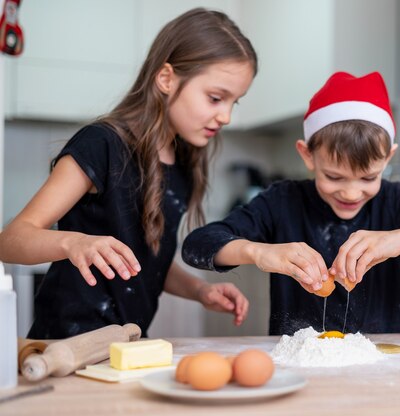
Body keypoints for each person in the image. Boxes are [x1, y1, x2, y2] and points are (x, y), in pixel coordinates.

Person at [0, 8, 257, 339]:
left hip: (127, 348)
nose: (226, 117)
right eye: (216, 98)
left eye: (234, 102)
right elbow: (10, 240)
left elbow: (145, 264)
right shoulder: (102, 144)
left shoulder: (183, 164)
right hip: (65, 346)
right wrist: (73, 242)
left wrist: (199, 290)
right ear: (166, 79)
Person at [182, 71, 400, 335]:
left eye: (368, 178)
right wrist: (257, 251)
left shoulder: (393, 201)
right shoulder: (282, 201)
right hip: (299, 366)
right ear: (307, 155)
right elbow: (197, 246)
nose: (352, 193)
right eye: (334, 177)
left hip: (383, 367)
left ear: (388, 159)